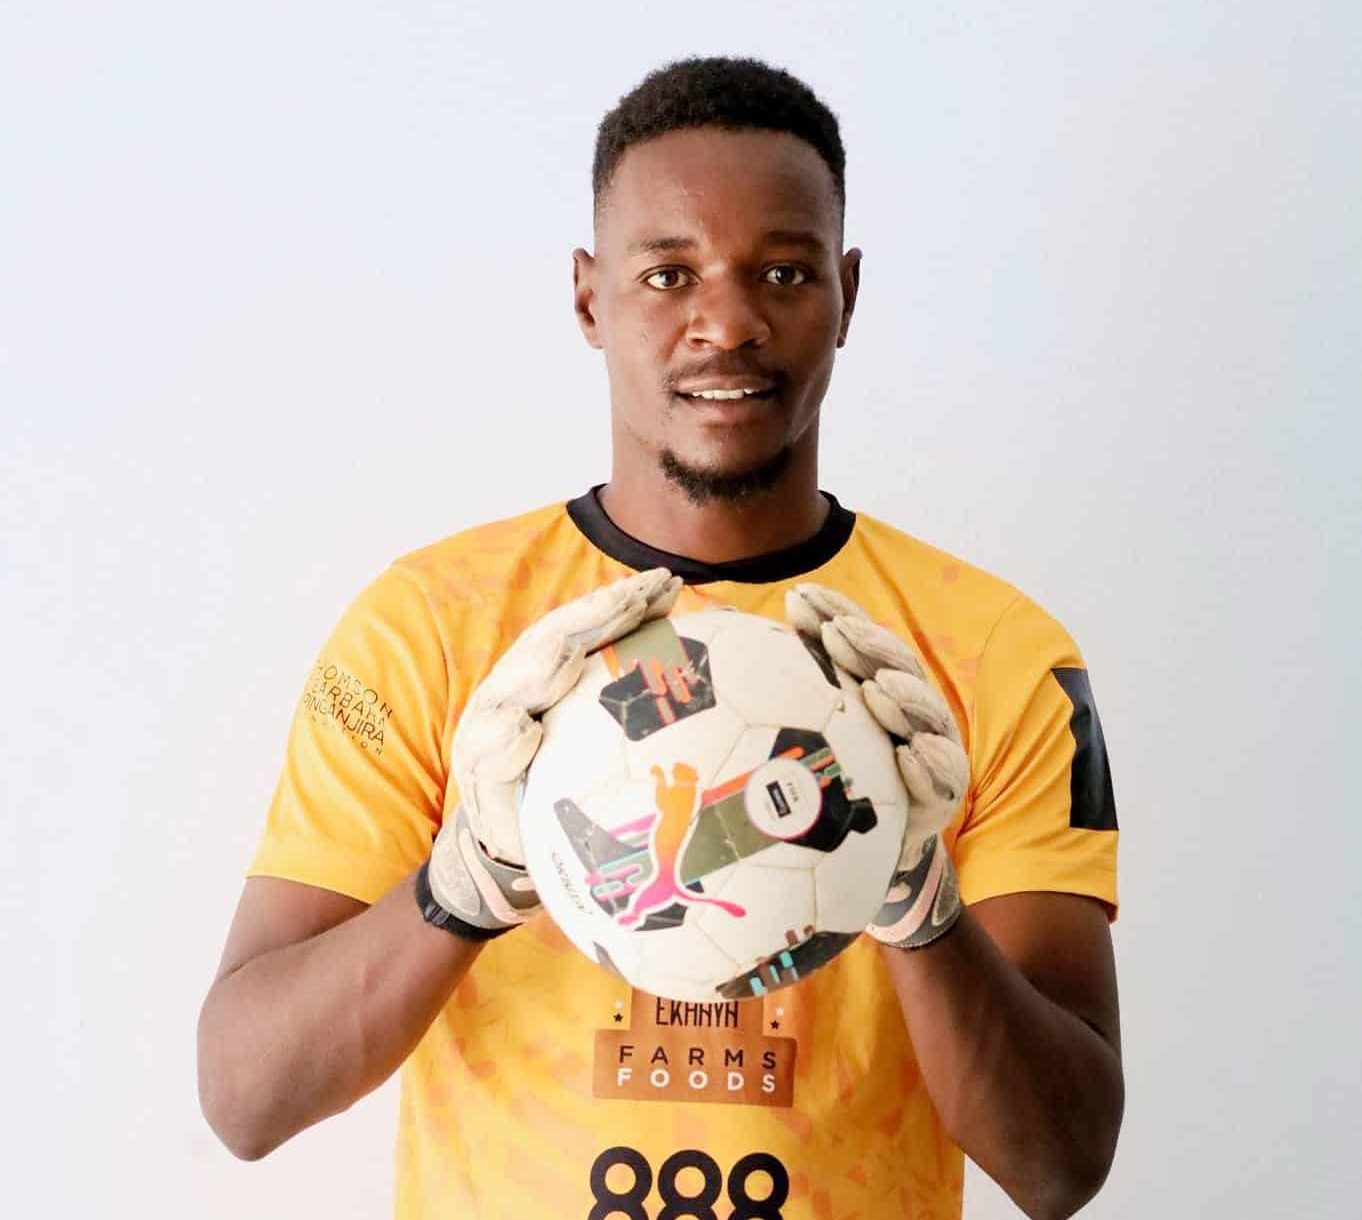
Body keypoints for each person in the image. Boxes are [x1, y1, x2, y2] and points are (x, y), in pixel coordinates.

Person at [197, 56, 1123, 1220]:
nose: (727, 323)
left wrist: (916, 900)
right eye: (668, 274)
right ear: (590, 299)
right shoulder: (427, 625)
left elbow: (1061, 1163)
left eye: (783, 272)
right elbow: (245, 1096)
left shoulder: (998, 653)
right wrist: (462, 885)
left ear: (845, 293)